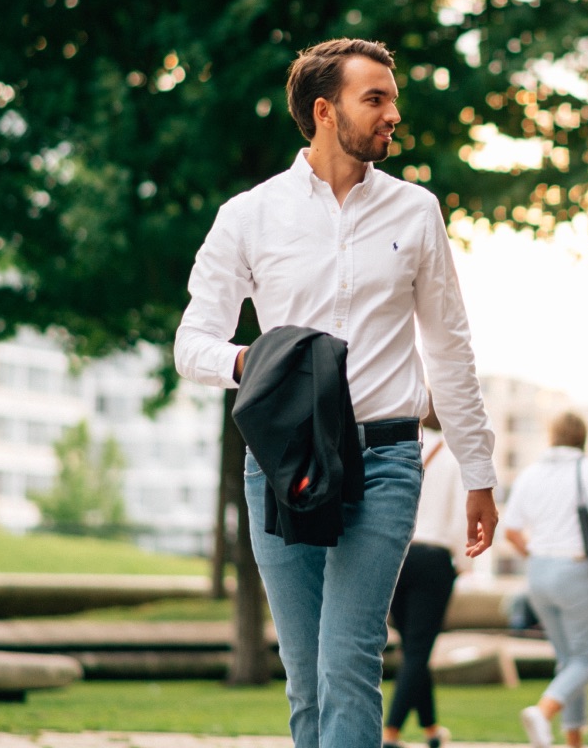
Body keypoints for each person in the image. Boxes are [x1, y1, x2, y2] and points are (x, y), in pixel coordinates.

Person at [174, 38, 498, 748]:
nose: (393, 115)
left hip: (384, 458)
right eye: (375, 99)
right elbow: (191, 343)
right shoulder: (249, 216)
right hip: (284, 462)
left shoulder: (416, 212)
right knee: (305, 672)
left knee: (347, 659)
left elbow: (449, 348)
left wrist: (478, 472)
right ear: (325, 111)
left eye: (393, 99)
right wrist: (257, 362)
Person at [502, 411, 588, 748]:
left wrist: (539, 554)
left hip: (538, 572)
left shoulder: (530, 473)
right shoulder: (587, 468)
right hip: (575, 570)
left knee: (569, 660)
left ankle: (574, 741)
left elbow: (511, 530)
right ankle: (542, 711)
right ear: (583, 437)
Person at [382, 401, 470, 748]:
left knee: (413, 649)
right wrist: (461, 566)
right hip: (433, 558)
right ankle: (391, 732)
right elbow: (462, 518)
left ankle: (432, 730)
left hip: (395, 555)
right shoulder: (452, 458)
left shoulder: (399, 450)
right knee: (419, 650)